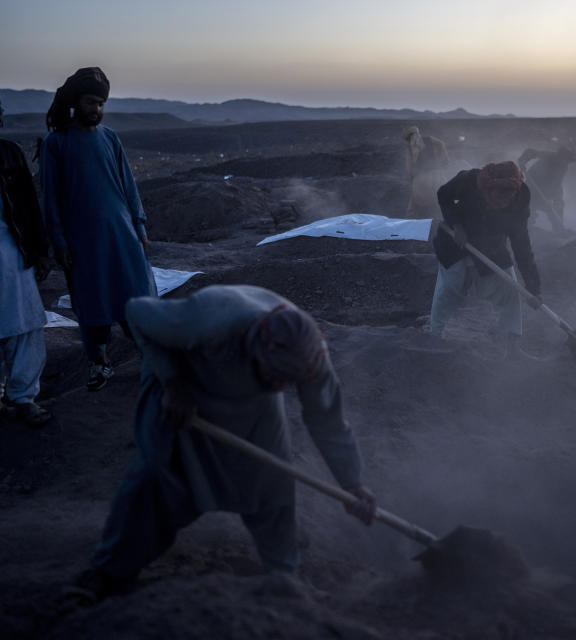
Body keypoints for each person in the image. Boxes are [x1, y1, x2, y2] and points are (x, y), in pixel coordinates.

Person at [70, 285, 377, 602]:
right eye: (278, 378)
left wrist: (352, 483)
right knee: (156, 480)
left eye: (289, 383)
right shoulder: (212, 319)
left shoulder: (310, 356)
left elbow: (327, 418)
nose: (283, 386)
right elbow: (137, 313)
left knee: (273, 484)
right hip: (184, 395)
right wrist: (172, 383)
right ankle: (110, 571)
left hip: (255, 405)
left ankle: (285, 577)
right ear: (258, 349)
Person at [41, 67, 156, 391]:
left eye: (102, 103)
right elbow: (51, 198)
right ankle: (99, 364)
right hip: (83, 242)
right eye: (92, 102)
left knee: (135, 298)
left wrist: (139, 225)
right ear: (77, 101)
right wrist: (59, 242)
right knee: (92, 303)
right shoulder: (56, 143)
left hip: (122, 236)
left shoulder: (109, 137)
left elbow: (129, 186)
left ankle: (151, 359)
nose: (97, 109)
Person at [430, 161, 542, 340]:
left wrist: (533, 288)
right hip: (455, 243)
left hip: (492, 246)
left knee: (509, 291)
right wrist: (457, 225)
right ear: (487, 190)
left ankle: (512, 346)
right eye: (499, 196)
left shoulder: (520, 199)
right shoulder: (469, 180)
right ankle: (435, 336)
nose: (504, 202)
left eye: (509, 197)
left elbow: (521, 243)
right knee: (449, 290)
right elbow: (443, 194)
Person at [0, 101, 53, 426]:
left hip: (11, 251)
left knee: (25, 325)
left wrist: (40, 251)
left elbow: (29, 206)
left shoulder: (9, 154)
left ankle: (22, 397)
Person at [517, 146, 576, 233]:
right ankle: (526, 230)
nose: (566, 162)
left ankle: (559, 230)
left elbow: (557, 185)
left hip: (549, 191)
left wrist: (554, 199)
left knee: (558, 207)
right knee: (529, 209)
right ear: (560, 155)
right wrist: (523, 161)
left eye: (568, 160)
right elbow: (530, 151)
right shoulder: (549, 156)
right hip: (533, 187)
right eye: (565, 159)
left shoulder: (564, 166)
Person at [401, 125, 450, 219]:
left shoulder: (409, 149)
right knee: (444, 198)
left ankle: (409, 224)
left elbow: (409, 168)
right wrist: (444, 160)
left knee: (413, 205)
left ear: (407, 138)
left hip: (421, 179)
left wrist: (412, 178)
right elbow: (441, 144)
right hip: (437, 175)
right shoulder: (429, 139)